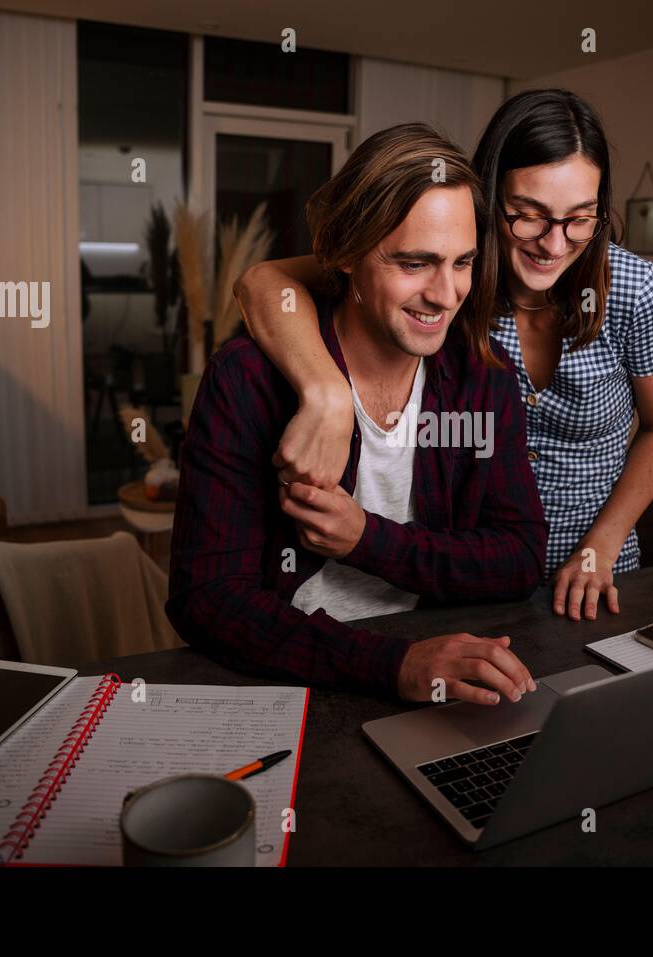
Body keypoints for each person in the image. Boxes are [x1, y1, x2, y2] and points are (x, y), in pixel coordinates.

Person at [236, 89, 653, 625]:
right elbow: (265, 279)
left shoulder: (634, 289)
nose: (554, 244)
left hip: (596, 574)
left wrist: (601, 547)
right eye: (528, 215)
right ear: (488, 198)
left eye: (580, 219)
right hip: (465, 582)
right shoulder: (449, 276)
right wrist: (327, 394)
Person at [168, 124, 544, 707]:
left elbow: (519, 559)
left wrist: (367, 540)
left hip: (441, 662)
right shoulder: (246, 379)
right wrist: (394, 664)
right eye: (415, 263)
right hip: (296, 673)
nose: (446, 295)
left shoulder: (481, 379)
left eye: (463, 262)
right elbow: (208, 598)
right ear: (343, 254)